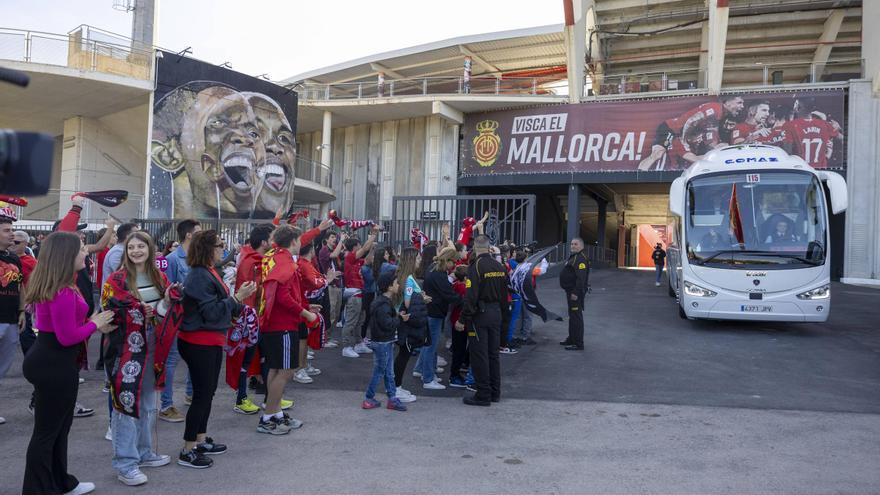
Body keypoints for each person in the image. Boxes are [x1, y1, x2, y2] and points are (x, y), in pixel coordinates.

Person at [22, 231, 116, 494]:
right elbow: (66, 337)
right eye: (82, 248)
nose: (87, 252)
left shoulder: (63, 284)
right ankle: (39, 489)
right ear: (66, 255)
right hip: (53, 363)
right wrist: (95, 324)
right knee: (47, 433)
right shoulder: (61, 290)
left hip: (55, 361)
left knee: (59, 429)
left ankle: (59, 482)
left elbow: (70, 329)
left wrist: (94, 323)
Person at [177, 230, 254, 468]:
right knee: (202, 394)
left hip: (209, 340)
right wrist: (237, 298)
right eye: (220, 245)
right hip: (198, 341)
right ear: (207, 249)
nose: (223, 249)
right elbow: (210, 312)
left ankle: (200, 439)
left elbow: (217, 308)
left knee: (207, 392)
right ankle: (188, 449)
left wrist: (236, 300)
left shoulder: (208, 271)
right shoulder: (199, 275)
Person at [102, 231, 174, 486]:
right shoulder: (117, 279)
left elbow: (166, 311)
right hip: (127, 348)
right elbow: (107, 310)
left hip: (154, 342)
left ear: (150, 249)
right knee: (126, 403)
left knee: (146, 403)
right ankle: (125, 463)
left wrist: (165, 304)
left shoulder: (160, 276)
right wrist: (135, 311)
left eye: (140, 246)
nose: (135, 251)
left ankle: (144, 453)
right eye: (131, 247)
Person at [257, 226, 316, 435]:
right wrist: (305, 313)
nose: (301, 243)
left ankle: (275, 414)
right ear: (293, 241)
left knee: (276, 370)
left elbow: (286, 293)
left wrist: (306, 308)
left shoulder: (277, 258)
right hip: (282, 326)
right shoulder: (284, 262)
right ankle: (268, 418)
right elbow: (283, 296)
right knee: (285, 372)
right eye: (299, 239)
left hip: (276, 325)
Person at [456, 235, 509, 406]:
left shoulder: (476, 266)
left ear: (475, 247)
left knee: (480, 355)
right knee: (493, 355)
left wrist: (463, 319)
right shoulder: (499, 266)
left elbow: (471, 297)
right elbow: (504, 294)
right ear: (488, 247)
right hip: (496, 314)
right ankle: (495, 392)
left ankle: (483, 394)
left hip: (481, 315)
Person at [158, 219, 200, 423]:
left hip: (194, 318)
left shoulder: (197, 257)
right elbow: (168, 290)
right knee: (171, 361)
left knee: (193, 357)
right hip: (176, 318)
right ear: (189, 234)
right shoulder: (173, 259)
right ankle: (166, 404)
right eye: (198, 231)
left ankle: (190, 393)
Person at [230, 224, 274, 414]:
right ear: (264, 242)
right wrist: (250, 318)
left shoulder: (260, 259)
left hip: (258, 317)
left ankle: (271, 398)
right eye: (272, 238)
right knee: (245, 361)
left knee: (265, 358)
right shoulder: (251, 261)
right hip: (249, 319)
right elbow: (247, 292)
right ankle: (241, 399)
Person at [362, 271, 409, 411]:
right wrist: (400, 318)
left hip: (383, 341)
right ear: (389, 287)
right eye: (396, 283)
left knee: (388, 372)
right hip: (383, 342)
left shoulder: (381, 302)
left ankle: (392, 398)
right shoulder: (383, 304)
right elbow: (387, 324)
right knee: (381, 371)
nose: (398, 285)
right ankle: (369, 398)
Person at [419, 246, 461, 390]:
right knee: (430, 346)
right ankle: (428, 378)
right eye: (453, 262)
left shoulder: (433, 268)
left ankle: (422, 371)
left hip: (431, 310)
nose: (454, 266)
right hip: (435, 312)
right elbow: (448, 294)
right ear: (447, 260)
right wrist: (463, 300)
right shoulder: (439, 274)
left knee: (428, 345)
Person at [391, 247, 425, 404]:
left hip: (402, 320)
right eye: (417, 259)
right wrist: (422, 299)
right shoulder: (409, 279)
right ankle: (396, 388)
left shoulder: (403, 277)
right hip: (406, 323)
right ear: (412, 260)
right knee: (403, 355)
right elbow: (408, 302)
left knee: (403, 355)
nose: (420, 261)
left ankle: (397, 386)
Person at [0, 208, 24, 426]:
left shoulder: (14, 258)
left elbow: (20, 286)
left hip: (10, 319)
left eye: (12, 230)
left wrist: (23, 310)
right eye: (7, 230)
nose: (12, 234)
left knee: (2, 369)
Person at [340, 227, 379, 358]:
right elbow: (364, 249)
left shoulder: (356, 260)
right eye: (359, 245)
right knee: (351, 321)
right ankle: (346, 346)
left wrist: (372, 247)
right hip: (353, 294)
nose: (361, 246)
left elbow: (368, 259)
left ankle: (358, 343)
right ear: (355, 247)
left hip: (359, 293)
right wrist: (373, 235)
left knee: (359, 320)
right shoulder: (350, 257)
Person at [559, 238, 590, 351]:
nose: (573, 246)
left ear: (581, 246)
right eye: (571, 244)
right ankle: (571, 338)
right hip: (570, 291)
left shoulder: (580, 258)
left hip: (575, 293)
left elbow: (581, 278)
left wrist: (575, 293)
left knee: (576, 317)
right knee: (572, 316)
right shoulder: (574, 257)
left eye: (575, 244)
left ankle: (578, 343)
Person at [447, 265, 469, 388]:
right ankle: (454, 375)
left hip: (454, 318)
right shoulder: (463, 288)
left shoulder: (455, 285)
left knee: (458, 348)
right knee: (459, 349)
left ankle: (456, 372)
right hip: (460, 321)